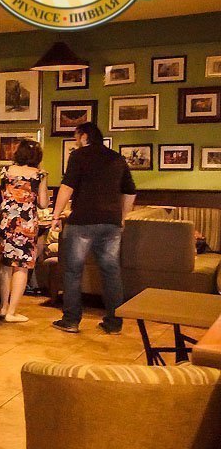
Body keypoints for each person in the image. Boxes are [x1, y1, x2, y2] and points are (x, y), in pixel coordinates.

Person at [51, 122, 137, 333]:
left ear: (84, 136)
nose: (75, 141)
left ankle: (71, 320)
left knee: (73, 271)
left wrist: (56, 214)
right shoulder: (117, 158)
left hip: (82, 221)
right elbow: (130, 191)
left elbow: (67, 186)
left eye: (76, 137)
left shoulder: (78, 156)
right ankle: (114, 323)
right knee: (111, 272)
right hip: (111, 223)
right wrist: (122, 217)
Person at [0, 140, 49, 322]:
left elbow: (3, 196)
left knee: (6, 265)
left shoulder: (6, 171)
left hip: (7, 221)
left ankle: (3, 307)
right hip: (26, 223)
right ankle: (12, 312)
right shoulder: (38, 175)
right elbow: (43, 203)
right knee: (22, 266)